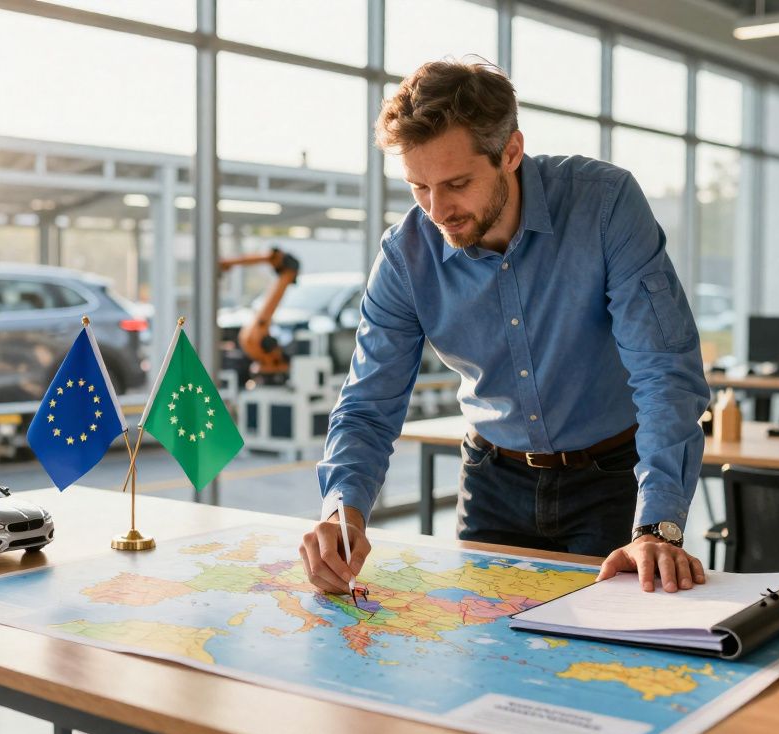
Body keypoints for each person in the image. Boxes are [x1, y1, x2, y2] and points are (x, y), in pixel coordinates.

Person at [299, 59, 710, 595]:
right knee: (487, 653)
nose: (437, 210)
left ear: (511, 152)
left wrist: (658, 527)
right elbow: (367, 402)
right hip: (493, 479)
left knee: (603, 662)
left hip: (613, 479)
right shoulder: (405, 256)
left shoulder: (604, 206)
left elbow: (664, 373)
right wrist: (342, 511)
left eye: (457, 183)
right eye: (418, 186)